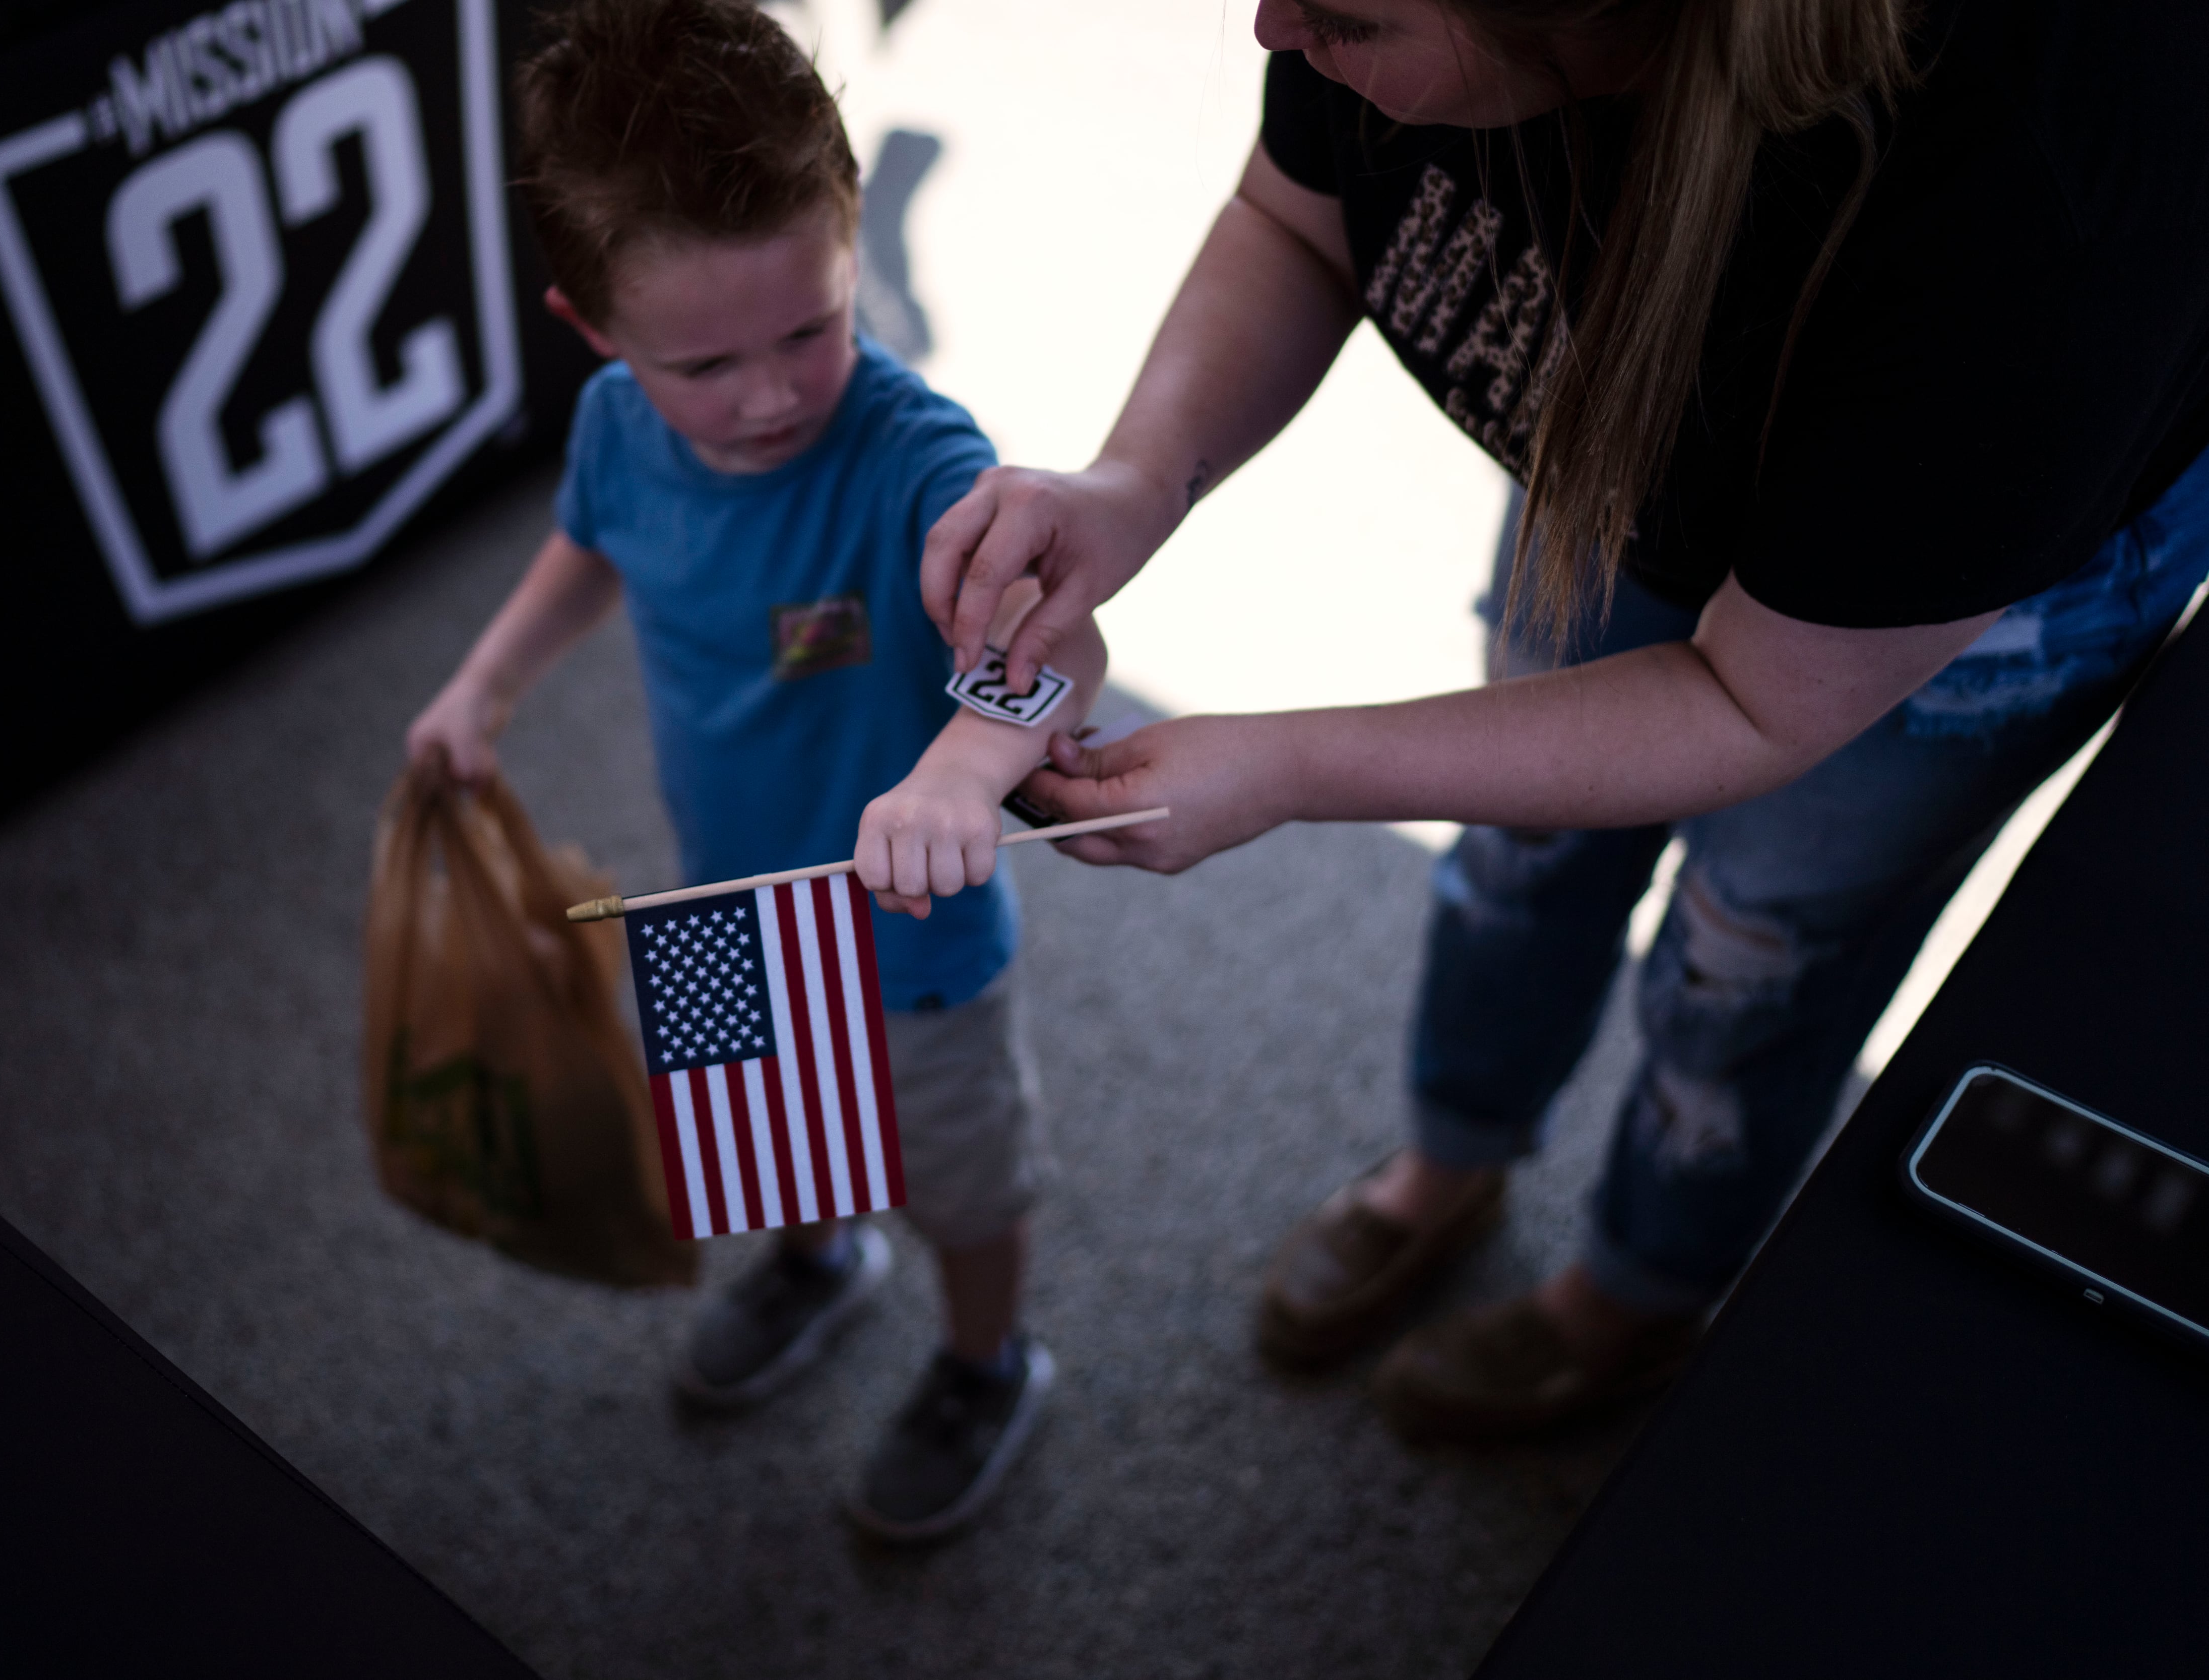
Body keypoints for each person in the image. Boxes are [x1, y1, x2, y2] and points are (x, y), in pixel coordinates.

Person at [919, 0, 2209, 1441]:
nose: (1272, 29)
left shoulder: (2038, 203)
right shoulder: (1401, 42)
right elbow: (1298, 219)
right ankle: (1451, 1161)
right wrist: (1136, 478)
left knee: (1756, 959)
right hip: (1635, 456)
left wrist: (1291, 764)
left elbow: (1755, 698)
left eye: (1344, 16)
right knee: (1519, 850)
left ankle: (1635, 1296)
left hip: (1948, 611)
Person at [405, 0, 1103, 1539]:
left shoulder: (918, 453)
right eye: (706, 362)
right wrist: (486, 681)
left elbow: (1066, 645)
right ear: (592, 332)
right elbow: (588, 550)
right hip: (724, 891)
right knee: (761, 1129)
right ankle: (813, 1257)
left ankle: (987, 1357)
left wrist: (966, 772)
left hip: (916, 940)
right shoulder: (612, 425)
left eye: (813, 325)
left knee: (962, 1179)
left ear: (851, 245)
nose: (776, 391)